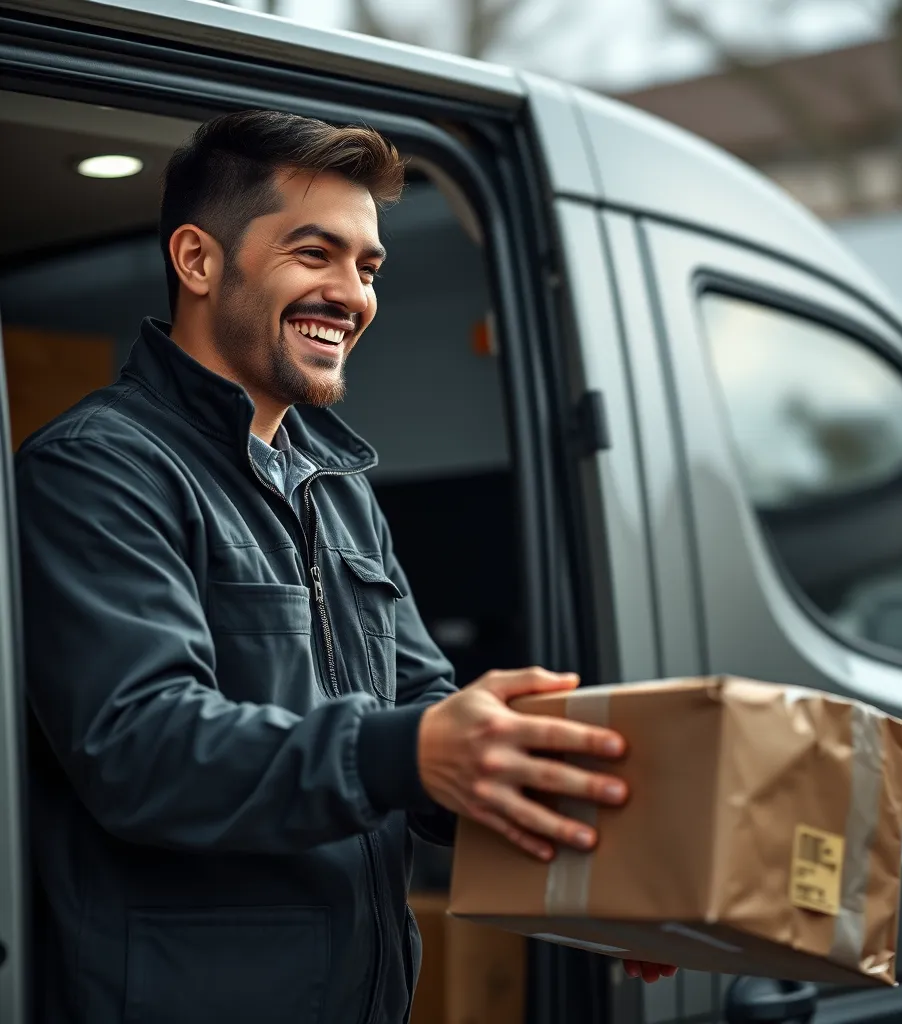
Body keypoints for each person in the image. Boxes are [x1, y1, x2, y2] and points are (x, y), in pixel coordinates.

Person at [17, 109, 675, 1024]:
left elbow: (429, 728)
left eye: (367, 267)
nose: (352, 293)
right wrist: (411, 749)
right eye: (314, 253)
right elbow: (140, 746)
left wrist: (598, 882)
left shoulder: (338, 488)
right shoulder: (97, 467)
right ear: (200, 261)